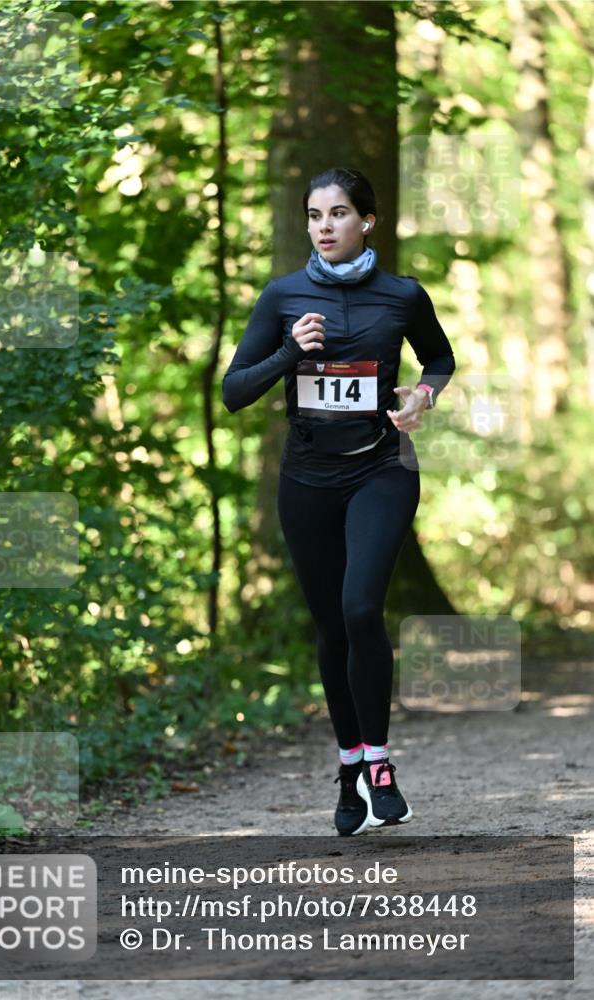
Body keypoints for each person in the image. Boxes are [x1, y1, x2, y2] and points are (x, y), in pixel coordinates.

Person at [222, 167, 456, 836]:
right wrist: (287, 356)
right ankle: (349, 767)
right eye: (314, 216)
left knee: (361, 609)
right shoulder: (283, 296)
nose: (324, 226)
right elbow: (234, 391)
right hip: (306, 480)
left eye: (337, 214)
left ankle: (379, 760)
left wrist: (421, 397)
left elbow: (438, 360)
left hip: (381, 468)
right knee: (329, 625)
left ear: (367, 221)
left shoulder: (402, 296)